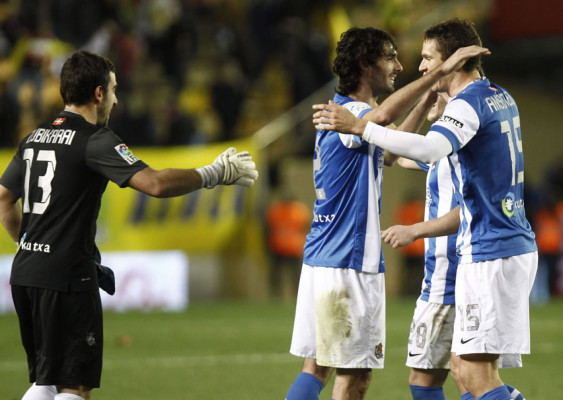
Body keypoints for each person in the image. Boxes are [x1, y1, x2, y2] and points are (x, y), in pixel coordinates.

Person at [0, 50, 258, 400]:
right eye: (114, 89)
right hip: (65, 281)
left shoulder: (34, 137)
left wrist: (28, 244)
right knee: (75, 386)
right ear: (98, 93)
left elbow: (3, 198)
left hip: (27, 275)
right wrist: (215, 173)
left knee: (46, 380)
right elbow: (155, 183)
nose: (117, 99)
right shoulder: (95, 139)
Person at [313, 18, 537, 400]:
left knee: (473, 374)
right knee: (455, 373)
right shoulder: (498, 95)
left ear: (452, 61)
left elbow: (431, 149)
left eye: (428, 57)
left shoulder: (468, 103)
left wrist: (360, 127)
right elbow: (407, 156)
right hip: (496, 248)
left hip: (490, 250)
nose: (420, 67)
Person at [285, 26, 486, 400]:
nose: (399, 65)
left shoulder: (346, 113)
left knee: (317, 367)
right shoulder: (352, 113)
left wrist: (426, 102)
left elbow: (391, 151)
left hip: (323, 258)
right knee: (354, 378)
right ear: (366, 64)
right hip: (349, 260)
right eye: (390, 56)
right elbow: (375, 121)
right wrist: (438, 76)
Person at [383, 93, 525, 400]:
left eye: (440, 94)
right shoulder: (441, 151)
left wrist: (415, 230)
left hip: (457, 270)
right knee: (448, 377)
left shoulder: (463, 152)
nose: (434, 96)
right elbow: (399, 151)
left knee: (462, 376)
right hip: (445, 272)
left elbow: (474, 208)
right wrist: (370, 120)